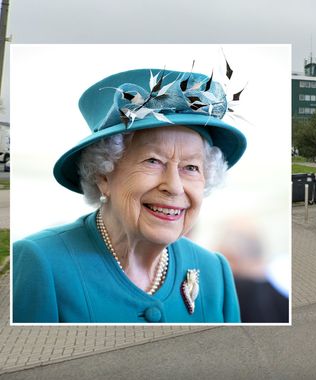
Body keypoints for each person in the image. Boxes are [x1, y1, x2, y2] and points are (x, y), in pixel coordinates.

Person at [12, 67, 247, 323]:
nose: (175, 186)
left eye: (191, 167)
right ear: (103, 176)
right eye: (153, 161)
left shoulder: (214, 271)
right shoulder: (41, 262)